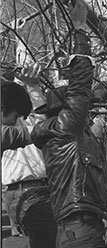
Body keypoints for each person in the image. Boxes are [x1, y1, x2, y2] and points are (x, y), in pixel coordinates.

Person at [31, 24, 107, 247]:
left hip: (77, 227)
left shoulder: (64, 133)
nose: (87, 111)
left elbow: (93, 96)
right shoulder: (65, 128)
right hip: (80, 229)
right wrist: (80, 32)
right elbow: (81, 88)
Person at [1, 68, 57, 247]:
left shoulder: (19, 110)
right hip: (30, 191)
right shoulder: (15, 119)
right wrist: (33, 86)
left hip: (19, 193)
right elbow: (39, 126)